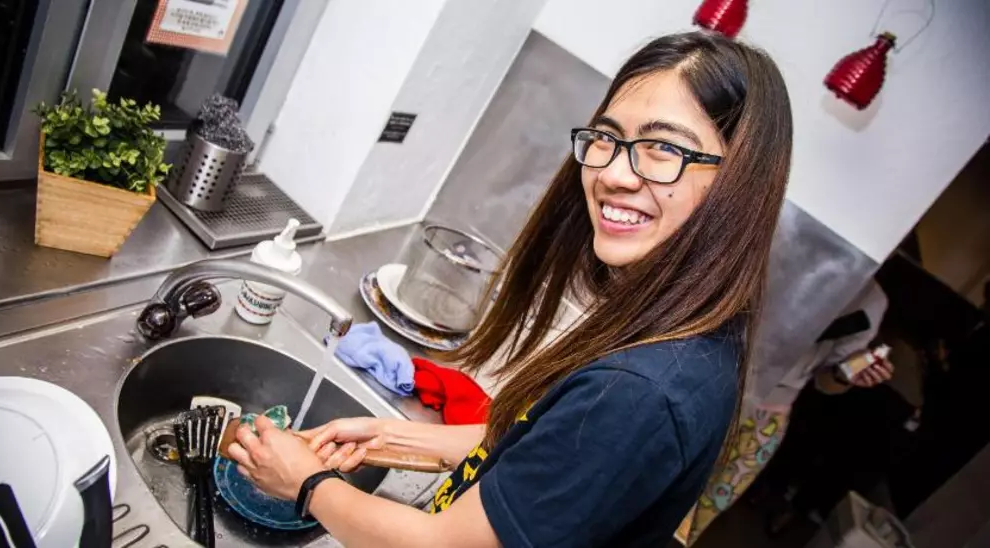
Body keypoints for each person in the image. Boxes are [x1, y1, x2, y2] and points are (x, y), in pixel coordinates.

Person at [228, 31, 793, 547]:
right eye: (607, 137)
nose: (614, 175)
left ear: (738, 182)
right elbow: (542, 453)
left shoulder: (639, 392)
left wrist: (307, 485)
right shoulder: (689, 333)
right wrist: (391, 437)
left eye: (664, 148)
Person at [684, 279, 893, 542]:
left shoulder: (872, 300)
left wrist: (845, 375)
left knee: (700, 513)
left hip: (763, 420)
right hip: (712, 375)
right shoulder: (788, 252)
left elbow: (825, 383)